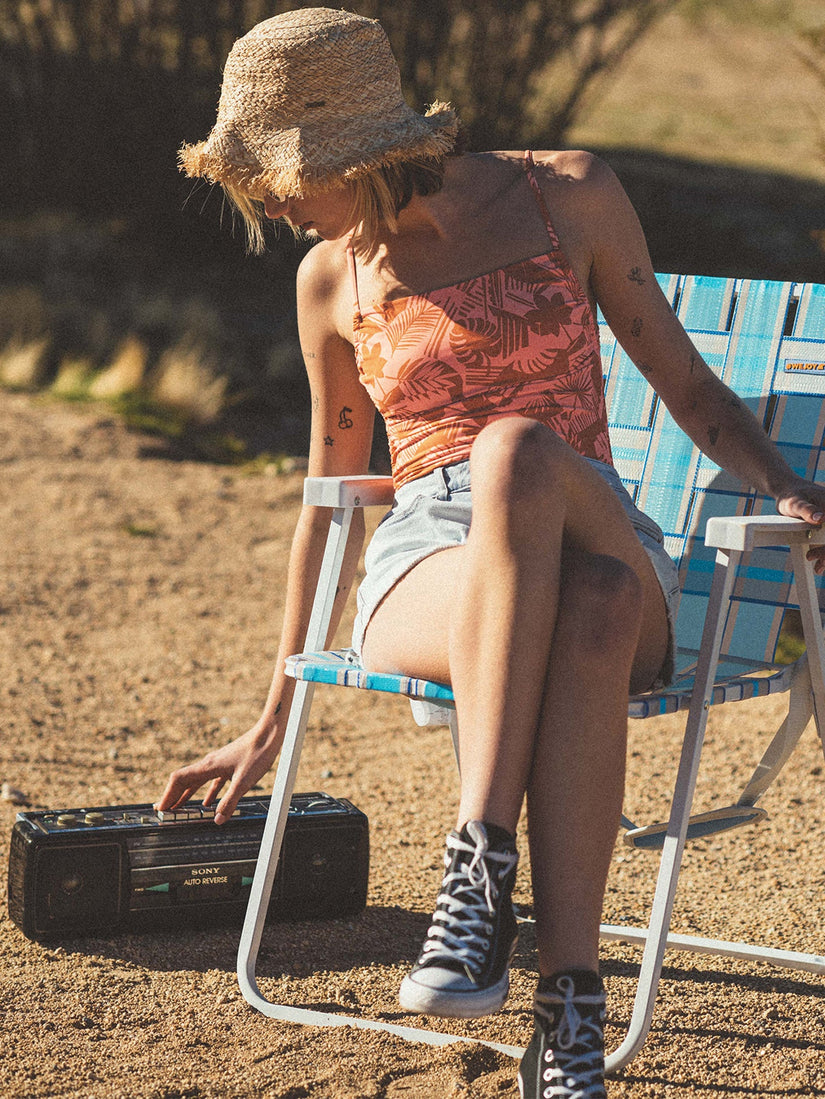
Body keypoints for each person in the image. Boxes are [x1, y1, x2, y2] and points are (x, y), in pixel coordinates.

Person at [157, 9, 825, 1096]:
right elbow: (332, 497)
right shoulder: (330, 281)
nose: (271, 206)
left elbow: (692, 390)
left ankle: (476, 863)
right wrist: (274, 708)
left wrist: (788, 484)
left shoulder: (567, 194)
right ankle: (569, 1014)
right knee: (595, 605)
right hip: (430, 558)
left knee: (524, 456)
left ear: (348, 152)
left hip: (586, 505)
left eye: (275, 179)